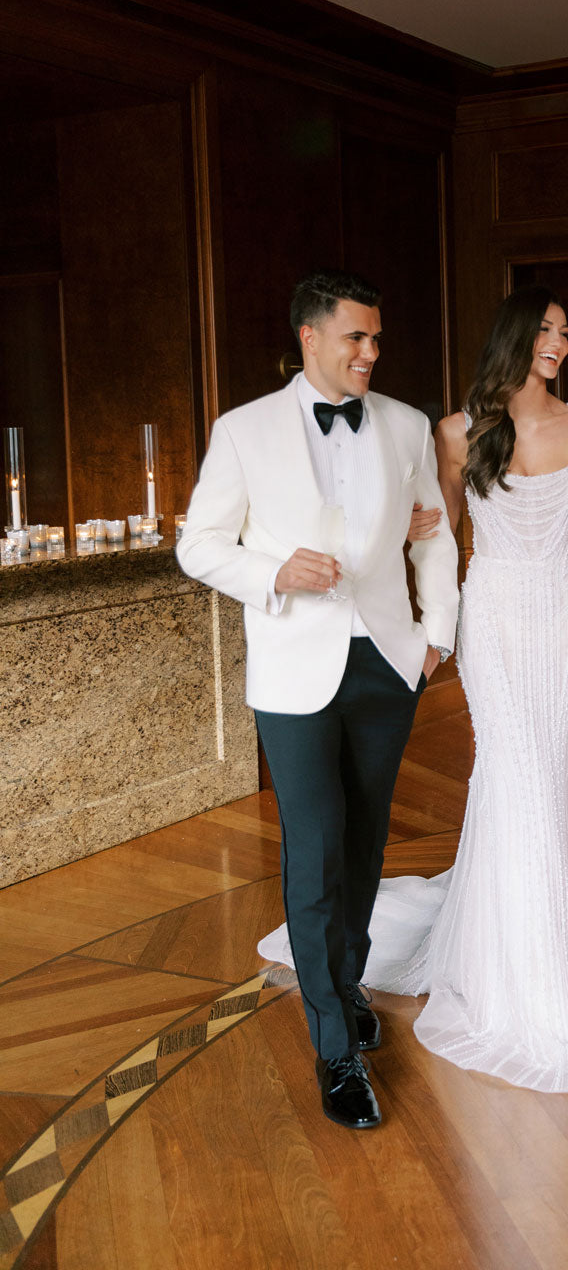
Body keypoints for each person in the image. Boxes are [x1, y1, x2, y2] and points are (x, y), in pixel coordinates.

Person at [260, 283, 568, 1092]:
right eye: (546, 330)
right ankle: (508, 969)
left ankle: (558, 954)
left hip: (560, 616)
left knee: (554, 776)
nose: (558, 343)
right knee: (510, 774)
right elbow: (439, 542)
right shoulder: (455, 432)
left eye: (565, 331)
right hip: (496, 619)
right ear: (515, 337)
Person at [178, 269, 459, 1129]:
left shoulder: (408, 425)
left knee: (367, 843)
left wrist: (437, 630)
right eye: (356, 338)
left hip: (385, 664)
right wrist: (274, 573)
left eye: (377, 339)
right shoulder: (244, 430)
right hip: (294, 671)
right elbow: (197, 545)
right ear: (311, 336)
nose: (371, 352)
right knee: (314, 852)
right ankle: (335, 1047)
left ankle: (345, 981)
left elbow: (433, 531)